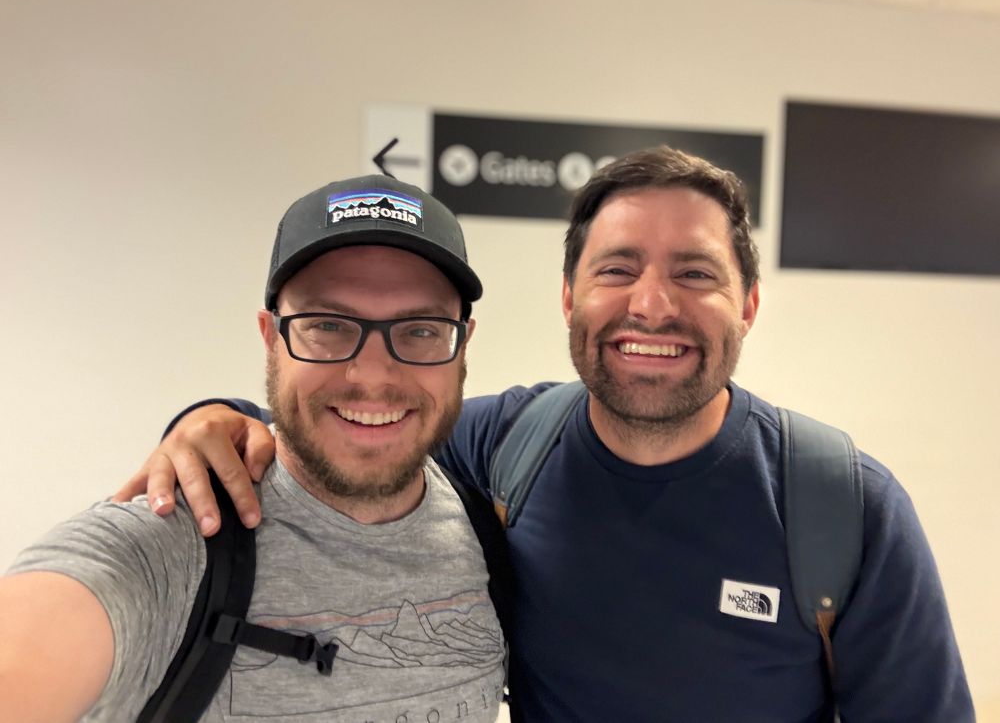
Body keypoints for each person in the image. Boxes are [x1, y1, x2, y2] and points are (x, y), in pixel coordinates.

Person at [119, 147, 974, 722]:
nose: (651, 304)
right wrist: (213, 420)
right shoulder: (503, 446)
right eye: (617, 268)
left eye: (695, 274)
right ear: (570, 297)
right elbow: (358, 428)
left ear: (747, 305)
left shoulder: (842, 506)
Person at [0, 176, 508, 722]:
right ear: (271, 338)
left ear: (462, 344)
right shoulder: (171, 539)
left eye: (420, 330)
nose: (372, 376)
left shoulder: (489, 530)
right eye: (329, 326)